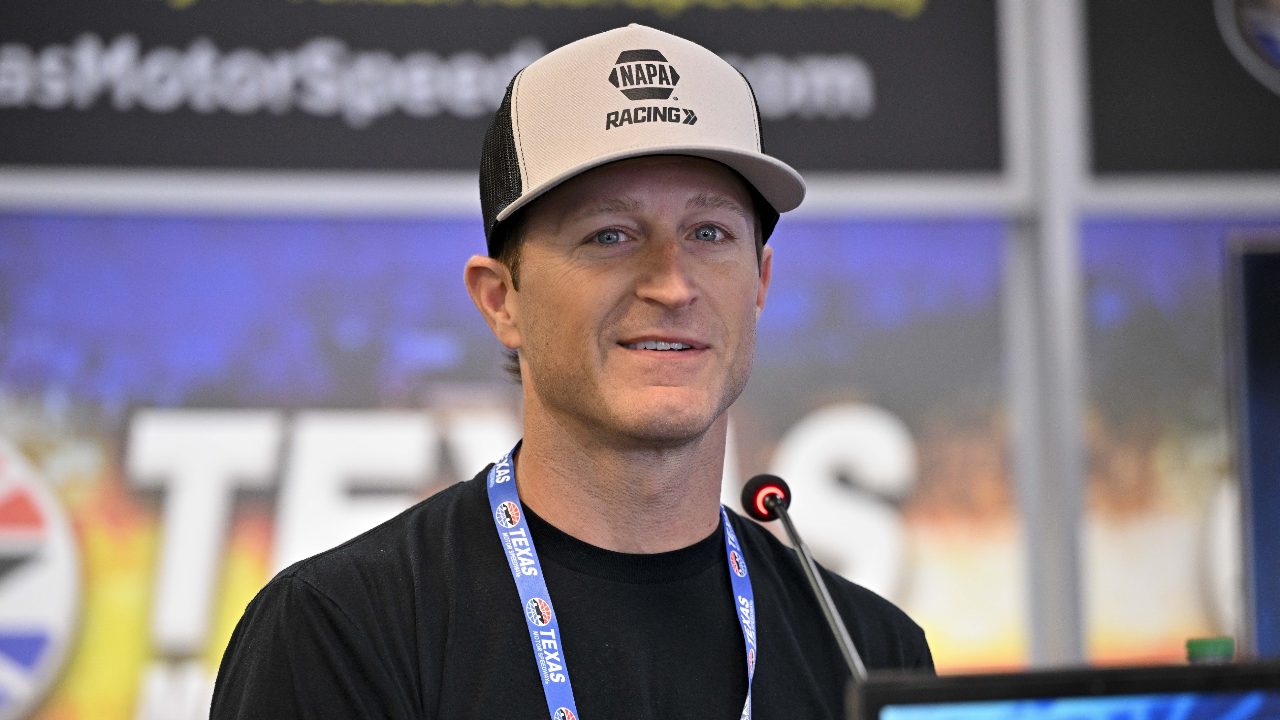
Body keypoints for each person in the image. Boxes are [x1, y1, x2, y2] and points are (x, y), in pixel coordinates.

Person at [211, 24, 933, 720]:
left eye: (709, 233)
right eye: (609, 235)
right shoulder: (340, 630)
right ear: (502, 301)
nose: (672, 285)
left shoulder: (869, 652)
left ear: (761, 282)